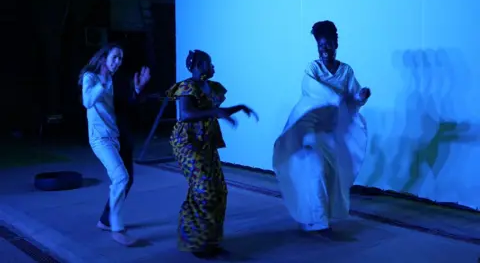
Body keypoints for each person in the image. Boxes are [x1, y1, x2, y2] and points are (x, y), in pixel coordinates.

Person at [272, 21, 371, 233]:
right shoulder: (312, 69)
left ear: (336, 44)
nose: (324, 49)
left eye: (328, 45)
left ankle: (321, 216)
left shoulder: (345, 71)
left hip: (331, 134)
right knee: (315, 170)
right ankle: (317, 220)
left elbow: (353, 97)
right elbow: (313, 93)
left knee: (332, 175)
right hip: (310, 132)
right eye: (320, 46)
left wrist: (360, 96)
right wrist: (338, 98)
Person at [166, 50, 258, 259]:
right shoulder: (187, 86)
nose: (213, 67)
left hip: (206, 142)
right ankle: (194, 240)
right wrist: (217, 113)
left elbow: (218, 110)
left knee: (219, 191)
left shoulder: (211, 87)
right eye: (209, 63)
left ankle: (210, 240)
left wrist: (239, 108)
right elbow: (186, 114)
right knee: (203, 190)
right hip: (188, 143)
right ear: (198, 65)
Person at [79, 43, 151, 246]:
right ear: (104, 58)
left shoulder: (117, 79)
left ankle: (105, 220)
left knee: (126, 180)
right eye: (115, 57)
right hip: (100, 139)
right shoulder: (91, 78)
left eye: (121, 58)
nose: (118, 61)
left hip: (119, 136)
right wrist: (102, 82)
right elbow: (87, 101)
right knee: (121, 177)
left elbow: (126, 105)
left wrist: (137, 90)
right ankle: (116, 228)